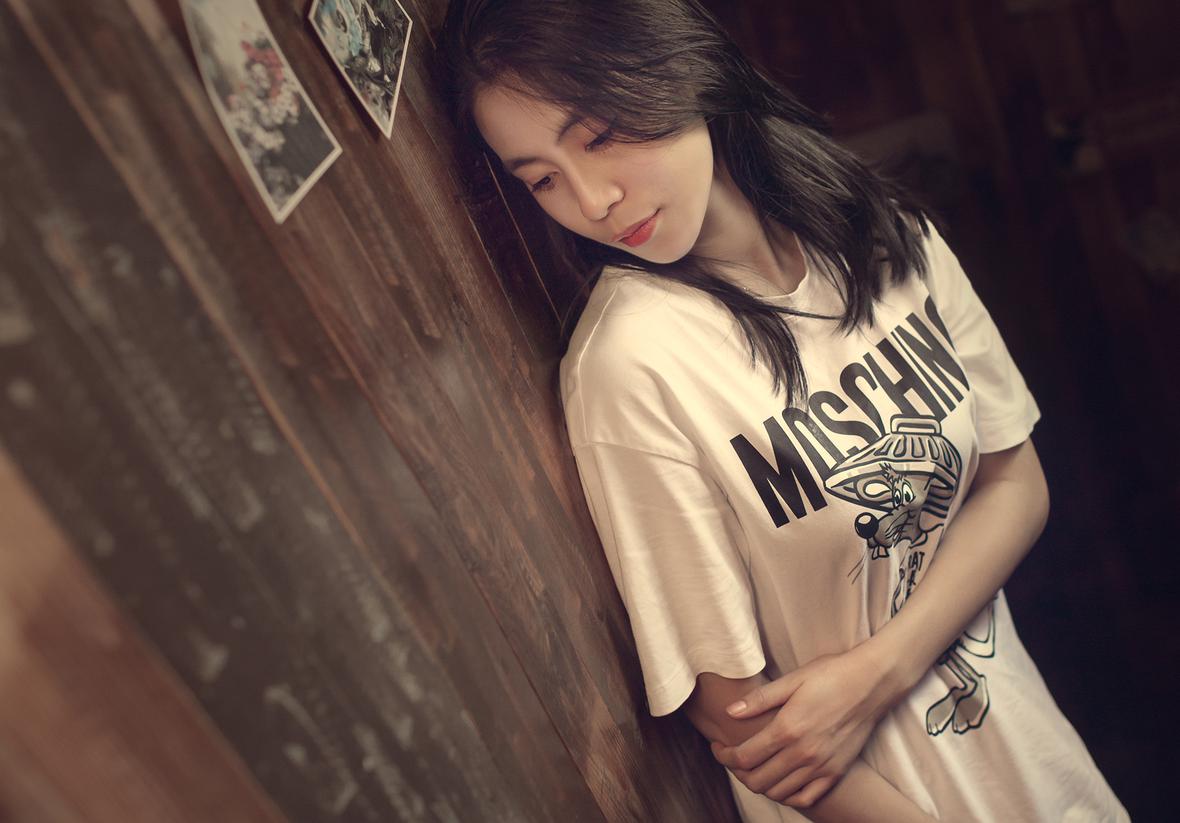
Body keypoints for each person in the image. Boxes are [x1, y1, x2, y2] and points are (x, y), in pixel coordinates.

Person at [437, 1, 1131, 820]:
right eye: (543, 179)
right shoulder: (631, 365)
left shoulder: (879, 232)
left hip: (1041, 768)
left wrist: (879, 670)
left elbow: (1016, 481)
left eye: (600, 134)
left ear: (680, 65)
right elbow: (737, 719)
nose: (592, 200)